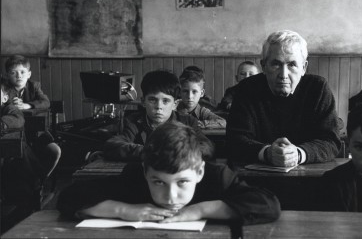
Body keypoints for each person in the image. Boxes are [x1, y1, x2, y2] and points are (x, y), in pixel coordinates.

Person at [57, 122, 281, 224]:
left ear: (199, 172)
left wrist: (200, 209)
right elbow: (68, 198)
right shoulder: (134, 178)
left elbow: (268, 205)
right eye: (159, 182)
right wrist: (123, 210)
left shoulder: (217, 177)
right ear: (146, 173)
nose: (171, 196)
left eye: (182, 182)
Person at [226, 30, 341, 167]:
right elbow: (235, 140)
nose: (283, 75)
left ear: (304, 68)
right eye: (276, 64)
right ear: (264, 66)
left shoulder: (318, 88)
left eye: (292, 65)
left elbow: (331, 141)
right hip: (255, 180)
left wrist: (298, 153)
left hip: (309, 180)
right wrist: (267, 153)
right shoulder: (247, 89)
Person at [103, 70, 201, 161]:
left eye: (165, 101)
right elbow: (112, 145)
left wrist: (177, 151)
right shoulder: (133, 122)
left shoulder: (188, 122)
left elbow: (205, 147)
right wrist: (150, 152)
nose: (159, 107)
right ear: (143, 102)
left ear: (175, 104)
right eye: (152, 100)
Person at [1, 84, 59, 217]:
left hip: (16, 153)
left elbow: (18, 119)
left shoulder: (9, 109)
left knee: (20, 166)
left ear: (4, 98)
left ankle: (30, 194)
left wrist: (2, 124)